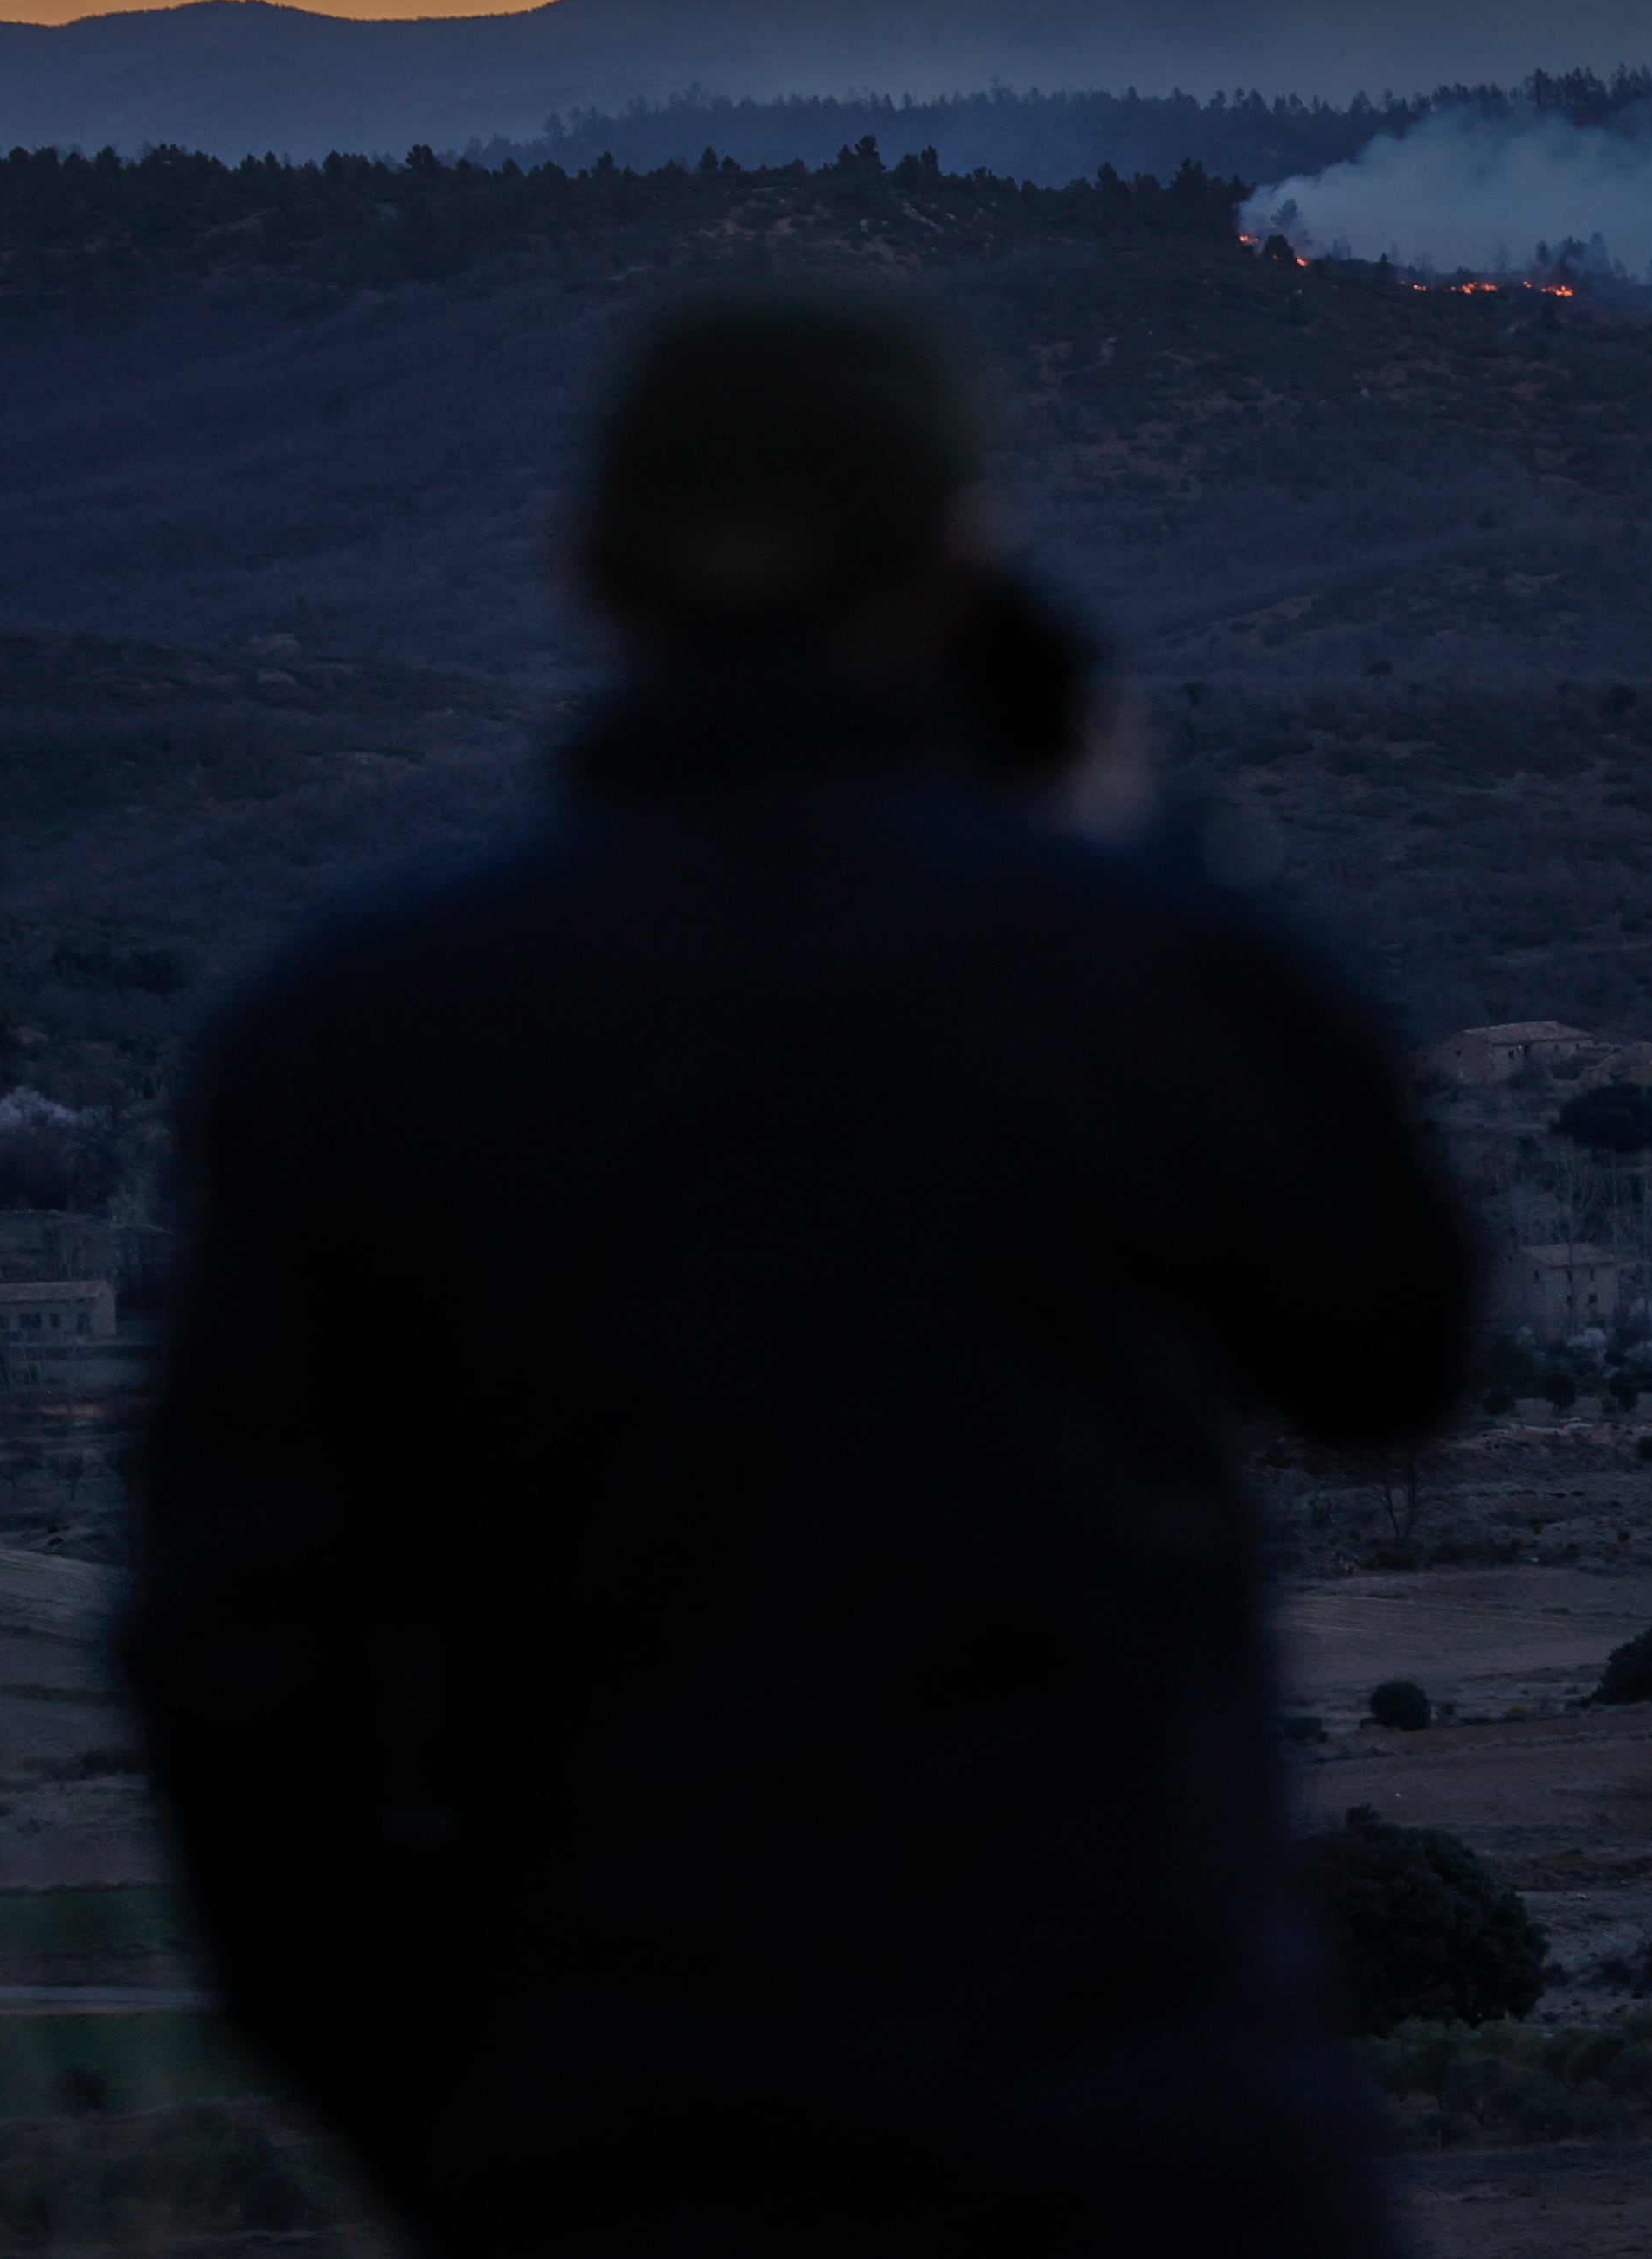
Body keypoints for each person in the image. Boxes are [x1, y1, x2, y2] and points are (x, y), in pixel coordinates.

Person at [122, 291, 1477, 2256]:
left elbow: (235, 1663)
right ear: (957, 562)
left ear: (586, 567)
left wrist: (440, 2097)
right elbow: (1388, 1355)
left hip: (616, 2143)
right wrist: (1128, 840)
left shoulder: (355, 1032)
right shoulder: (1144, 977)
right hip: (1144, 2144)